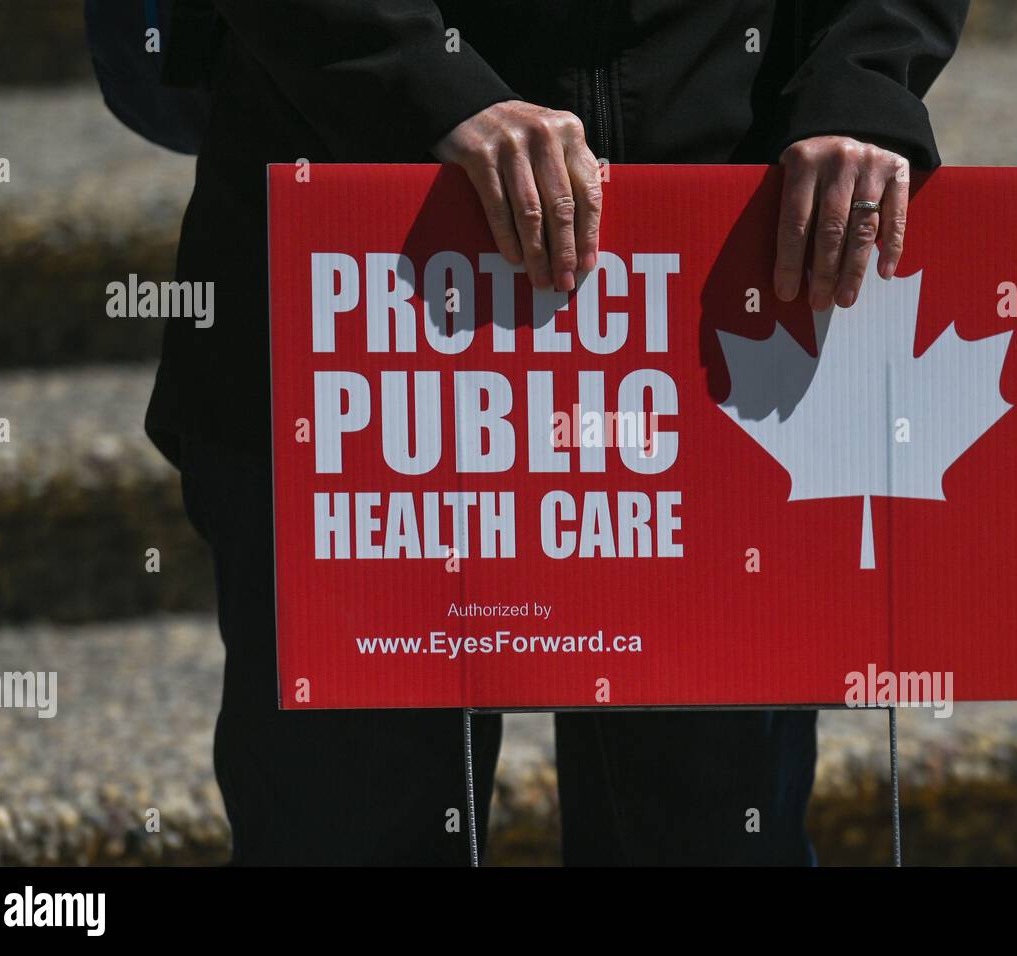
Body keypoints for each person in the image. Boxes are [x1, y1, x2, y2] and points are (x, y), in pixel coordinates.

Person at [148, 0, 968, 865]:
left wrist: (863, 75)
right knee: (348, 833)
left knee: (708, 841)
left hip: (712, 283)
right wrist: (420, 76)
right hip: (358, 281)